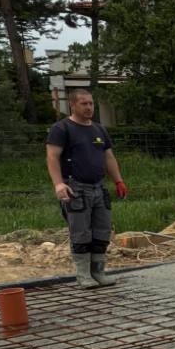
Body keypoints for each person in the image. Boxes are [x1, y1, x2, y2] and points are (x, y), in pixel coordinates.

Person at [46, 89, 127, 288]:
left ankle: (98, 272)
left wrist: (118, 180)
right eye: (84, 104)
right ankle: (83, 275)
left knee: (102, 231)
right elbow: (52, 157)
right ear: (72, 105)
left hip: (99, 188)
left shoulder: (99, 130)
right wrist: (58, 184)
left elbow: (108, 157)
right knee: (81, 233)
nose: (89, 107)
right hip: (76, 188)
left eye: (91, 103)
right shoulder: (61, 128)